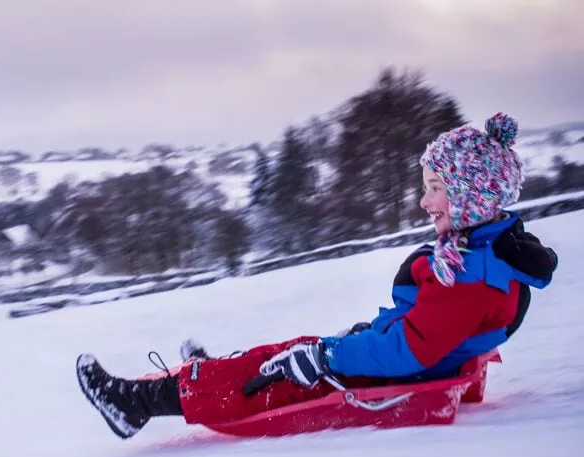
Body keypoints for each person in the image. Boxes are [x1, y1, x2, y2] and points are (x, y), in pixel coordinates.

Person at [75, 112, 559, 440]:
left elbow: (407, 351)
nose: (423, 201)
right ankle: (203, 372)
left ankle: (135, 404)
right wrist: (334, 348)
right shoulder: (483, 248)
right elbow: (418, 336)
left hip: (383, 374)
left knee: (263, 382)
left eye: (435, 189)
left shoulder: (471, 275)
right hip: (382, 355)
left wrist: (329, 355)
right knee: (282, 356)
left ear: (472, 198)